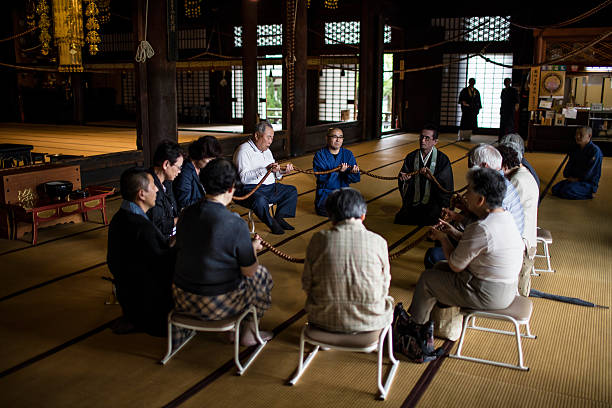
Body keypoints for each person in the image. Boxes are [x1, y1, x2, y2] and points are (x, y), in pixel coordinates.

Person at [172, 158, 274, 347]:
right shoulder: (234, 223)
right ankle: (249, 332)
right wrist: (251, 249)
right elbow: (249, 271)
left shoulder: (186, 214)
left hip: (181, 299)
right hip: (216, 305)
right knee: (261, 275)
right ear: (230, 189)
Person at [408, 167, 524, 327]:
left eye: (469, 191)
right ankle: (429, 324)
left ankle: (413, 328)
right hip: (507, 288)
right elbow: (480, 245)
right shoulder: (504, 216)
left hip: (488, 293)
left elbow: (456, 265)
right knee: (439, 267)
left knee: (427, 279)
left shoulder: (483, 227)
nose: (466, 196)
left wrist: (443, 238)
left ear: (480, 200)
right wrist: (452, 231)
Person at [302, 188, 393, 333]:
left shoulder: (319, 240)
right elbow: (385, 284)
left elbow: (307, 282)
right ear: (363, 216)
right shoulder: (378, 241)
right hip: (370, 322)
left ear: (331, 217)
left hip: (322, 321)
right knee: (389, 302)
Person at [423, 144, 524, 269]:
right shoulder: (501, 183)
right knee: (446, 236)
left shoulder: (494, 191)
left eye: (471, 167)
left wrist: (446, 236)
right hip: (499, 248)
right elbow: (484, 222)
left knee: (433, 255)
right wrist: (459, 214)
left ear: (483, 167)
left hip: (493, 260)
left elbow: (483, 230)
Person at [107, 167, 176, 336]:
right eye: (153, 186)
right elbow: (163, 266)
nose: (158, 189)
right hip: (148, 303)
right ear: (141, 194)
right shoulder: (140, 227)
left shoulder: (120, 217)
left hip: (129, 295)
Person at [233, 120, 298, 234]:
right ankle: (271, 223)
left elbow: (274, 175)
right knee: (260, 200)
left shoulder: (267, 151)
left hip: (270, 187)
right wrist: (265, 169)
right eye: (268, 137)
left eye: (272, 138)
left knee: (291, 191)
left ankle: (279, 217)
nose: (270, 141)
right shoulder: (243, 151)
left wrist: (282, 172)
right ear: (257, 135)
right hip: (251, 190)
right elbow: (243, 178)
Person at [498, 145, 539, 295]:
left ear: (504, 165)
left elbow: (500, 213)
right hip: (526, 237)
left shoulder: (517, 180)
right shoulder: (523, 173)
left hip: (522, 242)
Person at [395, 124, 454, 226]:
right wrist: (405, 179)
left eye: (427, 138)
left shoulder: (442, 159)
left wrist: (432, 178)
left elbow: (446, 185)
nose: (422, 141)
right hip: (414, 200)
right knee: (401, 218)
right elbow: (403, 176)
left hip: (433, 201)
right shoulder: (411, 156)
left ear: (435, 141)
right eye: (421, 137)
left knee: (432, 219)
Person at [312, 128, 360, 216]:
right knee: (334, 212)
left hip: (343, 195)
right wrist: (339, 172)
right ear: (327, 138)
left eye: (340, 137)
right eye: (334, 137)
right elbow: (322, 179)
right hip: (326, 196)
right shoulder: (320, 155)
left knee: (353, 211)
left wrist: (353, 172)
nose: (338, 140)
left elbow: (356, 179)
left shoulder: (348, 154)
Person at [552, 127, 603, 200]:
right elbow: (569, 165)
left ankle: (590, 194)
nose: (577, 137)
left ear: (589, 136)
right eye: (576, 134)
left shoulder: (595, 151)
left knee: (567, 191)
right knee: (555, 189)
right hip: (573, 180)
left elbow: (590, 172)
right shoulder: (576, 149)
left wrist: (577, 179)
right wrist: (568, 175)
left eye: (581, 134)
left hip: (587, 183)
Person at [174, 135, 222, 212]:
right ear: (200, 155)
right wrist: (210, 199)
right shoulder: (185, 172)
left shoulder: (201, 168)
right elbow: (184, 203)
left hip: (203, 210)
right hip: (191, 214)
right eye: (209, 160)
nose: (211, 163)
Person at [147, 140, 184, 238]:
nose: (180, 171)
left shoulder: (167, 181)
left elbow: (173, 209)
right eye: (179, 167)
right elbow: (159, 225)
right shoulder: (151, 186)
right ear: (166, 164)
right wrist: (183, 218)